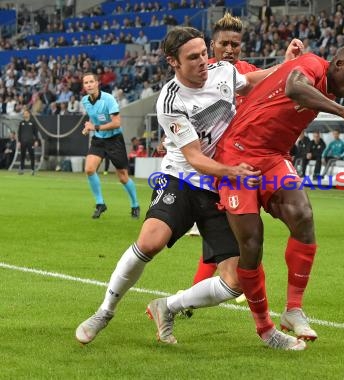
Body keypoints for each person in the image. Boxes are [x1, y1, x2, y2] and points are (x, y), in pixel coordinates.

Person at [75, 26, 301, 347]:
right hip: (181, 179)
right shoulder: (169, 101)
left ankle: (167, 307)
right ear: (173, 62)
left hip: (218, 187)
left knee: (235, 281)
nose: (202, 62)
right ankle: (104, 311)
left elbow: (252, 81)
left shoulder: (223, 71)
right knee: (151, 241)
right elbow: (194, 157)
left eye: (203, 54)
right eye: (192, 57)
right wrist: (233, 170)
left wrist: (287, 64)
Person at [214, 43, 344, 350]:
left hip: (273, 157)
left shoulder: (327, 89)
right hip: (236, 154)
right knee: (251, 243)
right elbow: (294, 86)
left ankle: (293, 309)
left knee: (303, 216)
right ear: (338, 63)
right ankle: (265, 328)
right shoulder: (313, 64)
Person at [191, 12, 305, 290]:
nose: (229, 50)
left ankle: (190, 299)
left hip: (249, 165)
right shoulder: (199, 74)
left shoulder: (247, 70)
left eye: (235, 44)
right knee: (235, 239)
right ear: (211, 45)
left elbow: (274, 86)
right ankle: (189, 299)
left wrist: (290, 63)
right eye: (224, 44)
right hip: (217, 167)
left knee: (242, 238)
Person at [80, 73, 140, 219]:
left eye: (91, 82)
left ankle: (135, 204)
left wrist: (95, 127)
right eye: (86, 82)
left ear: (97, 83)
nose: (88, 85)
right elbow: (93, 117)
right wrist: (88, 126)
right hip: (99, 140)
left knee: (122, 177)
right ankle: (100, 203)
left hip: (114, 140)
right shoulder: (85, 101)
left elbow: (117, 123)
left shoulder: (108, 99)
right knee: (89, 169)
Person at [17, 109, 40, 175]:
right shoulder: (21, 123)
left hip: (30, 142)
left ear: (29, 114)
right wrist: (19, 142)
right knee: (22, 156)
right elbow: (19, 133)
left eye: (26, 113)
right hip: (23, 142)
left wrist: (36, 141)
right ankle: (21, 169)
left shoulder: (33, 122)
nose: (25, 114)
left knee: (32, 156)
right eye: (24, 113)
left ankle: (32, 170)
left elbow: (36, 133)